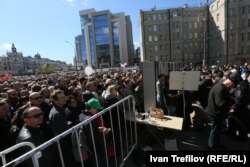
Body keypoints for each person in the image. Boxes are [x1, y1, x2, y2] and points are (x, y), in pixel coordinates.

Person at [206, 73, 240, 150]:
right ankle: (211, 147)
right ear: (230, 83)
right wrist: (230, 106)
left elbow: (227, 98)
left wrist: (233, 102)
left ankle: (216, 143)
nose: (232, 88)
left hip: (219, 113)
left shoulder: (222, 86)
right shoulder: (220, 88)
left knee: (218, 131)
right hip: (215, 113)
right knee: (214, 131)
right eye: (232, 86)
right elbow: (220, 103)